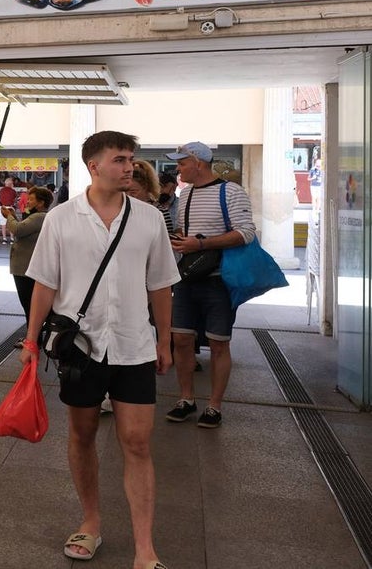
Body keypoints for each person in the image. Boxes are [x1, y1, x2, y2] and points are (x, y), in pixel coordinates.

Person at [21, 130, 179, 568]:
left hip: (134, 344)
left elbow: (161, 284)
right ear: (93, 165)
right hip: (81, 348)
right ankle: (91, 521)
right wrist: (31, 341)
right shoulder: (61, 219)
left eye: (131, 159)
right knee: (83, 433)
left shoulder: (148, 219)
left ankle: (145, 548)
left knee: (137, 440)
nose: (129, 166)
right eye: (119, 159)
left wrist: (164, 340)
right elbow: (45, 284)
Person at [165, 141, 256, 430]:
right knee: (181, 339)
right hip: (187, 278)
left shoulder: (231, 191)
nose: (177, 169)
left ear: (199, 162)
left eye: (182, 163)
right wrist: (180, 239)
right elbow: (186, 231)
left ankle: (214, 406)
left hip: (219, 280)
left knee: (218, 343)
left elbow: (246, 233)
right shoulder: (186, 193)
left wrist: (201, 243)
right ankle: (186, 399)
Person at [1, 186, 53, 346]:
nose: (27, 201)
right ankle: (35, 338)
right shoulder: (40, 217)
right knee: (31, 304)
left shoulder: (39, 217)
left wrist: (9, 216)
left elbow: (17, 230)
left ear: (40, 202)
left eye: (31, 199)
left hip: (25, 268)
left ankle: (32, 340)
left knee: (29, 304)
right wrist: (14, 216)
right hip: (27, 266)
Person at [0, 177, 17, 243]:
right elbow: (15, 199)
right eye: (12, 183)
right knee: (11, 223)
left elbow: (0, 200)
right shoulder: (13, 191)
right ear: (10, 184)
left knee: (3, 224)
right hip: (10, 208)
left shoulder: (1, 190)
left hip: (2, 207)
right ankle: (12, 239)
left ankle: (4, 239)